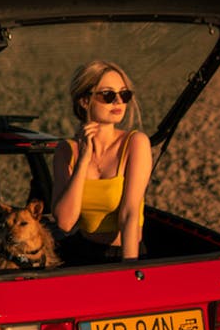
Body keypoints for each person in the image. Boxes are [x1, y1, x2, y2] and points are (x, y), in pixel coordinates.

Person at [51, 60, 152, 262]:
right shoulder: (66, 150)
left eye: (124, 94)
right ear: (84, 101)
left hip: (126, 253)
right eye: (107, 95)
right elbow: (65, 223)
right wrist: (82, 162)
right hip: (82, 253)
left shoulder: (135, 143)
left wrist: (129, 269)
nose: (118, 102)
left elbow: (129, 214)